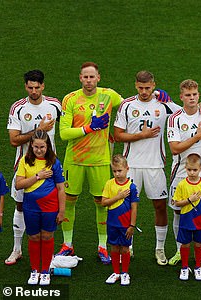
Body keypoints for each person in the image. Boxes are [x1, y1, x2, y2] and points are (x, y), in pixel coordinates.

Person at [113, 71, 181, 265]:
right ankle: (128, 245)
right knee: (126, 206)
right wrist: (141, 135)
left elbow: (187, 110)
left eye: (148, 88)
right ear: (136, 85)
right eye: (141, 88)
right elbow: (118, 135)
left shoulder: (164, 104)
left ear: (154, 85)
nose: (144, 92)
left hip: (155, 165)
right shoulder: (127, 105)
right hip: (131, 166)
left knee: (159, 206)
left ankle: (159, 249)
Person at [57, 62, 122, 263]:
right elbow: (64, 133)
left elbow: (134, 102)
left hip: (100, 161)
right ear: (80, 78)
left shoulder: (109, 95)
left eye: (92, 77)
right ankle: (67, 244)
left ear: (98, 78)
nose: (88, 80)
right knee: (68, 201)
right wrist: (88, 128)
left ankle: (103, 247)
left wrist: (158, 97)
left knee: (102, 203)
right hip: (74, 160)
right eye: (85, 77)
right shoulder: (71, 99)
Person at [6, 69, 61, 265]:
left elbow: (72, 122)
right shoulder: (18, 108)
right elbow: (14, 140)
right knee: (20, 205)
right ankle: (16, 249)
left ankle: (48, 253)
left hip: (50, 168)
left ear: (43, 86)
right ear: (25, 87)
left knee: (50, 207)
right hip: (25, 165)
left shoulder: (55, 105)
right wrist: (39, 130)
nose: (34, 91)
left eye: (37, 87)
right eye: (30, 87)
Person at [167, 79, 201, 266]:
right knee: (178, 212)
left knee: (200, 212)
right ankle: (180, 250)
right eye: (188, 95)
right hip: (179, 173)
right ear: (181, 97)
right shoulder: (175, 118)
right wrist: (198, 137)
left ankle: (199, 253)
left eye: (195, 94)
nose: (192, 98)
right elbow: (174, 148)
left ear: (199, 95)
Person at [15, 130, 65, 285]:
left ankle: (45, 271)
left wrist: (62, 211)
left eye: (42, 147)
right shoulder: (25, 161)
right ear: (31, 145)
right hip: (31, 207)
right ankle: (35, 270)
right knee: (34, 237)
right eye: (36, 147)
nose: (39, 150)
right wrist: (38, 176)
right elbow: (18, 185)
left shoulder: (54, 162)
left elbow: (61, 188)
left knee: (47, 237)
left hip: (50, 207)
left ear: (47, 146)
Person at [172, 153, 201, 281]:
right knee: (185, 244)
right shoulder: (182, 184)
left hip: (200, 221)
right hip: (186, 220)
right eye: (189, 170)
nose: (192, 172)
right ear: (185, 168)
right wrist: (190, 200)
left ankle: (198, 267)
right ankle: (184, 267)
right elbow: (177, 203)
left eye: (195, 170)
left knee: (199, 244)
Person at [101, 154, 139, 286]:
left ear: (127, 168)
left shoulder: (132, 187)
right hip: (112, 224)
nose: (117, 174)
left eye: (120, 171)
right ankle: (116, 272)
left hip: (125, 225)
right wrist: (118, 196)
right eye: (114, 171)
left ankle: (125, 273)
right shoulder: (109, 184)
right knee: (114, 247)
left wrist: (132, 225)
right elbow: (104, 202)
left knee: (125, 248)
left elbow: (134, 208)